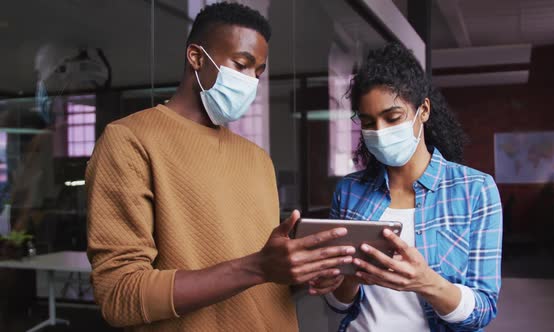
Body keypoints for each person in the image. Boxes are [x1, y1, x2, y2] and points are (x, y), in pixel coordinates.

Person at [86, 3, 355, 331]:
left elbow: (266, 280)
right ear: (196, 57)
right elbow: (118, 295)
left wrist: (302, 270)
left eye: (258, 72)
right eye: (241, 64)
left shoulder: (257, 159)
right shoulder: (130, 141)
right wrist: (258, 267)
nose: (251, 82)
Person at [308, 41, 503, 331]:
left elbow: (483, 310)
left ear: (423, 110)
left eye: (393, 117)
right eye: (368, 122)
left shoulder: (476, 190)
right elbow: (340, 305)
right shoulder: (349, 191)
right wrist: (344, 279)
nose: (380, 132)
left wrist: (427, 283)